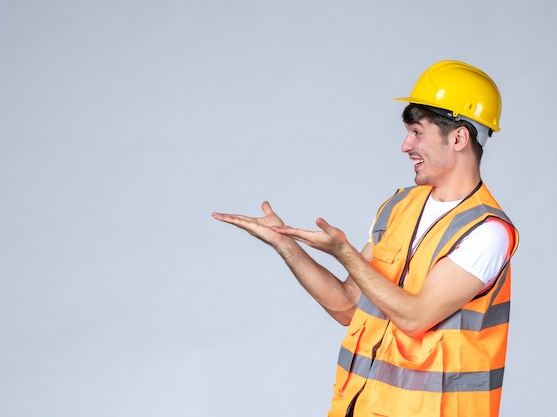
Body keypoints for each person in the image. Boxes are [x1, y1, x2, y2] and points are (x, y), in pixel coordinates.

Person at [212, 60, 519, 417]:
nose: (406, 145)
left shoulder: (487, 232)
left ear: (459, 137)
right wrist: (285, 244)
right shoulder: (399, 206)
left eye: (417, 132)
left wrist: (345, 253)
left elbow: (415, 317)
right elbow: (346, 305)